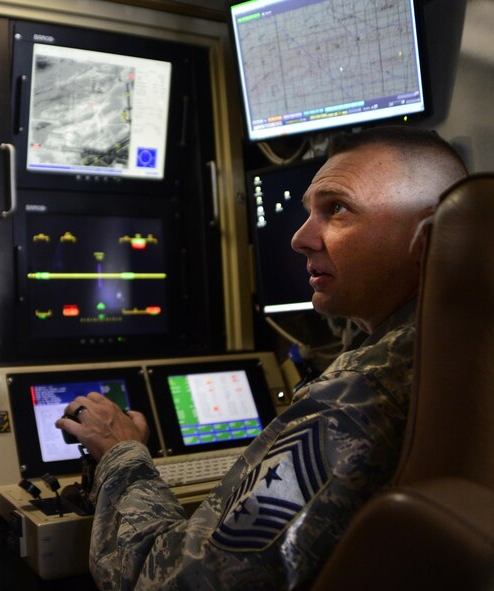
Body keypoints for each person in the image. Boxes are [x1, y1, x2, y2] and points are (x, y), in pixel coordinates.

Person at [55, 126, 468, 589]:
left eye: (337, 209)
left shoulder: (359, 398)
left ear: (430, 237)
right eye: (308, 212)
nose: (300, 238)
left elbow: (172, 582)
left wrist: (121, 454)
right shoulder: (456, 357)